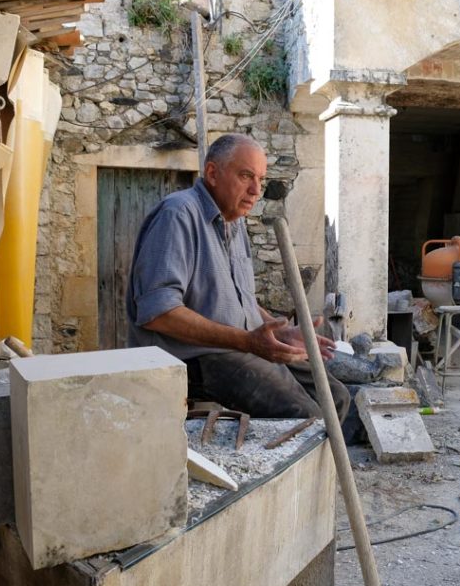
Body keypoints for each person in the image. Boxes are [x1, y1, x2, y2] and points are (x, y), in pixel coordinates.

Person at [126, 133, 351, 421]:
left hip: (237, 348)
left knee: (336, 399)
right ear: (212, 173)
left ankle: (324, 468)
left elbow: (238, 297)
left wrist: (275, 328)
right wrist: (247, 341)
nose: (256, 190)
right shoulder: (178, 214)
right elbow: (159, 313)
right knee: (303, 415)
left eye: (260, 179)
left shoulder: (234, 221)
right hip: (195, 356)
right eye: (246, 176)